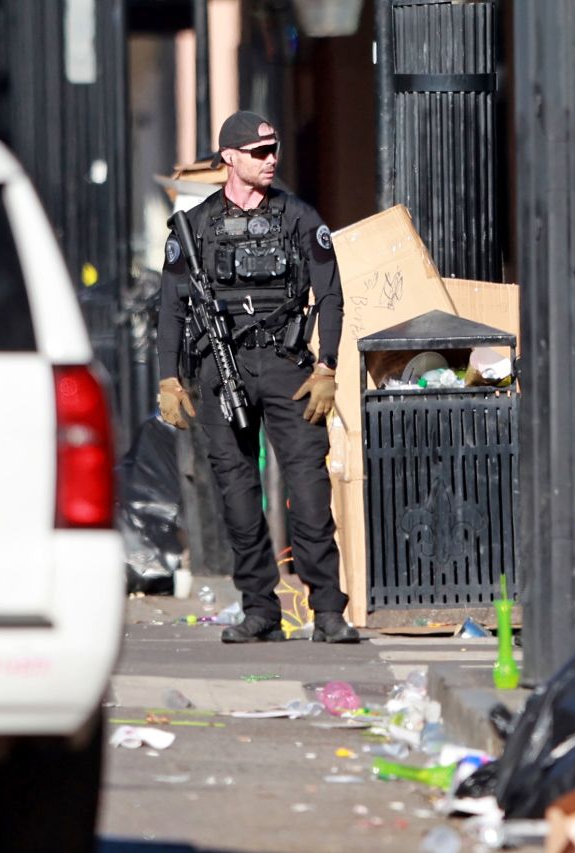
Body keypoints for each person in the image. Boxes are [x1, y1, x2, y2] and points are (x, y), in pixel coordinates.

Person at [156, 110, 359, 644]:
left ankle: (328, 612)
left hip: (288, 366)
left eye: (274, 150)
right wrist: (169, 379)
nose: (271, 160)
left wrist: (326, 366)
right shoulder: (194, 226)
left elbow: (331, 296)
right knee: (239, 496)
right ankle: (260, 609)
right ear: (229, 158)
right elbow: (171, 307)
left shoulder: (298, 217)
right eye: (258, 152)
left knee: (311, 495)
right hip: (219, 372)